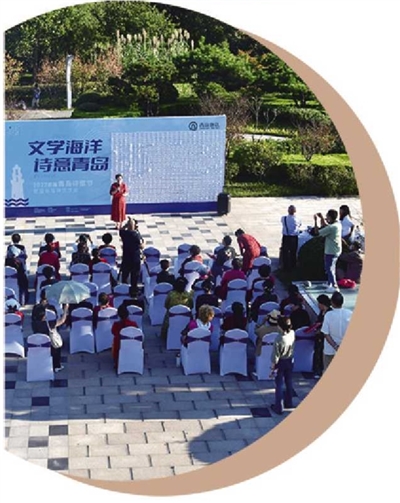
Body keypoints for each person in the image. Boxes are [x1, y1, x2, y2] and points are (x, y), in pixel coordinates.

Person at [270, 315, 296, 415]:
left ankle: (279, 406)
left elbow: (275, 355)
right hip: (290, 360)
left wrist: (272, 367)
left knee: (279, 384)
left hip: (280, 362)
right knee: (289, 382)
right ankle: (289, 402)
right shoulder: (292, 333)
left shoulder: (279, 338)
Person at [32, 303, 69, 372]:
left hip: (38, 345)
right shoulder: (48, 324)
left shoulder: (33, 323)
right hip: (49, 345)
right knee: (56, 346)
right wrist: (65, 310)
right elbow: (62, 320)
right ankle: (56, 365)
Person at [320, 291, 352, 372]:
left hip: (330, 349)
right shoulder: (349, 314)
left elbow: (326, 334)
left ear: (332, 302)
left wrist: (335, 346)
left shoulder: (328, 315)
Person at [313, 209, 342, 292]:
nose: (326, 218)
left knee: (330, 268)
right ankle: (329, 283)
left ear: (330, 217)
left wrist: (315, 221)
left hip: (331, 251)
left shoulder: (331, 227)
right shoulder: (337, 224)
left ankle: (334, 286)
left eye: (327, 217)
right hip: (335, 249)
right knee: (330, 267)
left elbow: (317, 232)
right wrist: (322, 218)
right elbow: (326, 226)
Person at [308, 294, 332, 378]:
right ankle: (316, 370)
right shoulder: (322, 312)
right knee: (317, 352)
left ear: (322, 304)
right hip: (318, 336)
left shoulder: (330, 313)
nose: (318, 305)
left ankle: (320, 370)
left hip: (325, 337)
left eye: (319, 303)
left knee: (322, 354)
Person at [119, 217, 144, 292]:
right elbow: (141, 245)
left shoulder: (124, 234)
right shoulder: (136, 235)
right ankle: (134, 289)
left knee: (125, 275)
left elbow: (121, 229)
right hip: (135, 258)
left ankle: (124, 289)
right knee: (134, 276)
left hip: (126, 258)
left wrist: (126, 225)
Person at [111, 304, 138, 369]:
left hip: (119, 347)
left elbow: (113, 332)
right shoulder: (133, 324)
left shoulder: (116, 325)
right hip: (132, 345)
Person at [281, 205, 301, 271]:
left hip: (286, 237)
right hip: (294, 237)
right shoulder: (297, 219)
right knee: (293, 252)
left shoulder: (283, 218)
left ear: (288, 211)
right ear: (295, 211)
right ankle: (293, 266)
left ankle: (285, 266)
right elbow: (299, 225)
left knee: (285, 252)